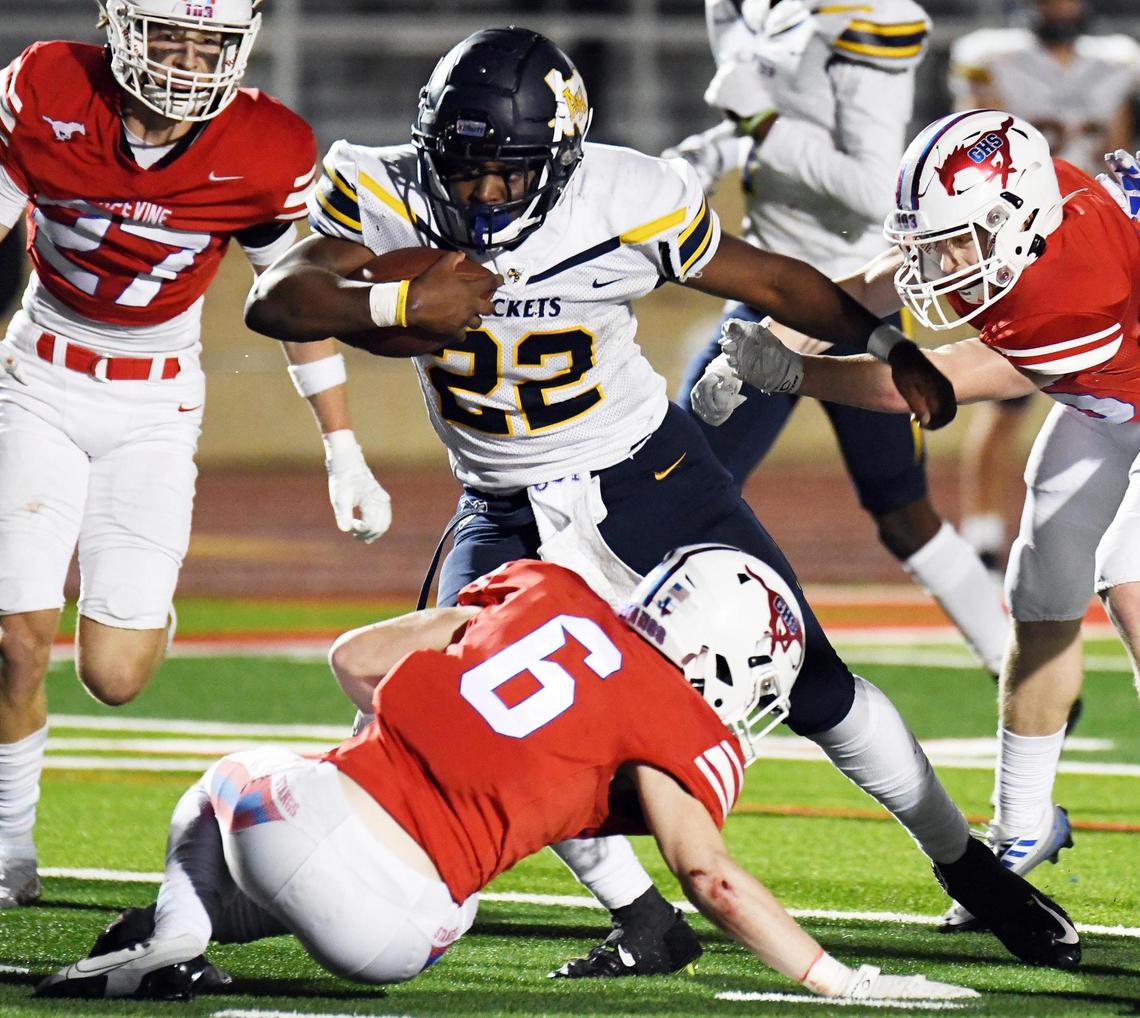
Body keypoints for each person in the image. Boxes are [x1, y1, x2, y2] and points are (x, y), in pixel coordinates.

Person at [244, 27, 1083, 977]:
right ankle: (642, 915)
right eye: (465, 167)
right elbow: (277, 296)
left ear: (558, 159)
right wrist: (397, 308)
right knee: (471, 715)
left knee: (815, 681)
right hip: (503, 501)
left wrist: (888, 348)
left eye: (507, 171)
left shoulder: (621, 197)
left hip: (647, 470)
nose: (481, 193)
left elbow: (771, 279)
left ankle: (967, 867)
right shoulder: (384, 187)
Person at [37, 546, 1078, 1000]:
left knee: (229, 776)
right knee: (306, 851)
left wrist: (455, 650)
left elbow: (354, 661)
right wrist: (834, 976)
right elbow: (711, 873)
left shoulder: (545, 590)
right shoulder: (688, 735)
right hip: (416, 933)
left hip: (305, 819)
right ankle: (188, 939)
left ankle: (174, 929)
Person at [694, 108, 1138, 934]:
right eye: (936, 242)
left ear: (1016, 218)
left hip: (1117, 381)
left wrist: (787, 374)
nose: (942, 265)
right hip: (1112, 397)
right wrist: (770, 336)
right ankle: (1023, 824)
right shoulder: (1015, 223)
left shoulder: (1070, 285)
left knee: (1132, 586)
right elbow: (875, 284)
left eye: (958, 243)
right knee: (1041, 596)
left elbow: (924, 387)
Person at [0, 0, 390, 909]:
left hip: (155, 403)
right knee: (16, 643)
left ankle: (140, 614)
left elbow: (292, 296)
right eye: (165, 32)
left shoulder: (266, 144)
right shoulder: (50, 84)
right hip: (38, 379)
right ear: (119, 25)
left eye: (203, 39)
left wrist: (344, 448)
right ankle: (10, 845)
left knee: (115, 676)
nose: (183, 59)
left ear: (239, 45)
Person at [662, 0, 1009, 676]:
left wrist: (760, 124)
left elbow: (877, 191)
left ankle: (1009, 656)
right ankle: (673, 665)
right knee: (682, 491)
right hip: (767, 287)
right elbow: (766, 116)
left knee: (901, 512)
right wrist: (713, 151)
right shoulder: (746, 8)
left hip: (849, 297)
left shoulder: (870, 16)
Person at [947, 0, 1140, 571]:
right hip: (1022, 241)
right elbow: (971, 135)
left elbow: (1118, 140)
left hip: (1096, 235)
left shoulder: (1117, 61)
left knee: (1096, 386)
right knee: (1007, 393)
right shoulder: (993, 59)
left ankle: (1093, 520)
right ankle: (982, 531)